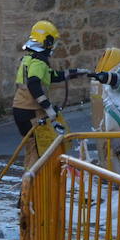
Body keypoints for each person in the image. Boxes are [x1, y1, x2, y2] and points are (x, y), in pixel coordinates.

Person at [11, 20, 111, 166]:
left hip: (23, 110)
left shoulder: (30, 58)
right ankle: (31, 186)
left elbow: (51, 76)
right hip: (29, 112)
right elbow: (34, 85)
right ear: (46, 41)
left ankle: (35, 184)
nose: (53, 47)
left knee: (38, 148)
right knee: (38, 150)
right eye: (52, 42)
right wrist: (48, 108)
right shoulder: (38, 62)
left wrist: (75, 73)